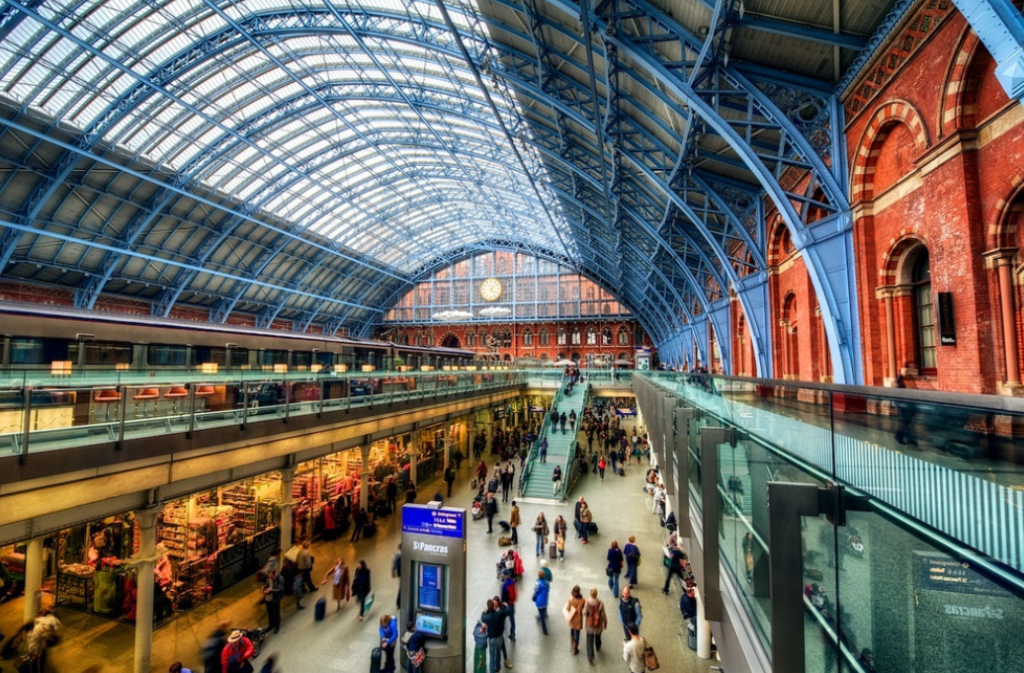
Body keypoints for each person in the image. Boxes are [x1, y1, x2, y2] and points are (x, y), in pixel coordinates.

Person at [480, 598, 513, 671]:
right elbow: (507, 611)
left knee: (492, 657)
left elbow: (482, 618)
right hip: (499, 637)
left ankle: (492, 670)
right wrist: (506, 605)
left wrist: (483, 612)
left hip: (491, 638)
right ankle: (497, 666)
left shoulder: (487, 617)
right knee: (498, 653)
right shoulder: (499, 614)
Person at [582, 587, 607, 664]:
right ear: (596, 594)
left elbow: (584, 613)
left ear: (590, 594)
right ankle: (598, 646)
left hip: (590, 626)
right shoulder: (600, 603)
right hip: (598, 625)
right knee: (598, 636)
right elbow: (603, 614)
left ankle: (590, 657)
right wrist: (605, 622)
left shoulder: (587, 603)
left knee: (589, 641)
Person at [565, 585, 586, 655]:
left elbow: (568, 609)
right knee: (577, 633)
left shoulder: (571, 599)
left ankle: (572, 643)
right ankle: (575, 648)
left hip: (572, 617)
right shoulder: (583, 599)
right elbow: (584, 608)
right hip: (578, 618)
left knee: (572, 630)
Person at [263, 567, 284, 634]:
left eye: (270, 575)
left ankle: (277, 626)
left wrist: (271, 591)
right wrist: (265, 590)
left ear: (274, 574)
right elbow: (266, 585)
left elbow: (280, 589)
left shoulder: (280, 578)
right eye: (268, 575)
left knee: (276, 613)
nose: (269, 577)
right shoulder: (268, 579)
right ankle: (271, 625)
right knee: (270, 613)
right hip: (268, 598)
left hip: (275, 599)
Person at [532, 570, 550, 635]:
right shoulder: (547, 583)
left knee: (541, 613)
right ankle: (539, 617)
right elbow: (548, 590)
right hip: (545, 600)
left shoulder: (537, 583)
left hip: (539, 601)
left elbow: (535, 590)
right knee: (543, 610)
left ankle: (544, 629)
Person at [392, 543, 402, 609]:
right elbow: (395, 564)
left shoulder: (397, 554)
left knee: (401, 587)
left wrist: (393, 572)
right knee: (401, 588)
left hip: (400, 573)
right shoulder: (399, 555)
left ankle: (398, 603)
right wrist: (393, 572)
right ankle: (398, 603)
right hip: (402, 573)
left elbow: (394, 564)